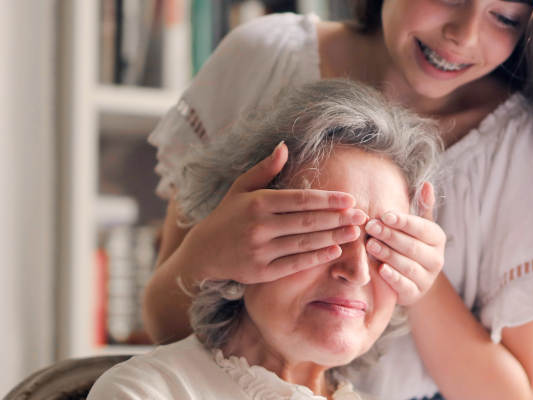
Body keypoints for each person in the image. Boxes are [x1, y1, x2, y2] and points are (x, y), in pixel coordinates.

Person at [142, 1, 533, 399]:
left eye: (505, 17)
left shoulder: (523, 152)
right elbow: (164, 322)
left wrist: (413, 274)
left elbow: (510, 390)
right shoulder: (262, 59)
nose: (463, 34)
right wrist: (209, 252)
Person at [90, 79, 441, 400]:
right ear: (241, 236)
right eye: (320, 231)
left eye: (386, 244)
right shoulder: (143, 393)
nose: (357, 270)